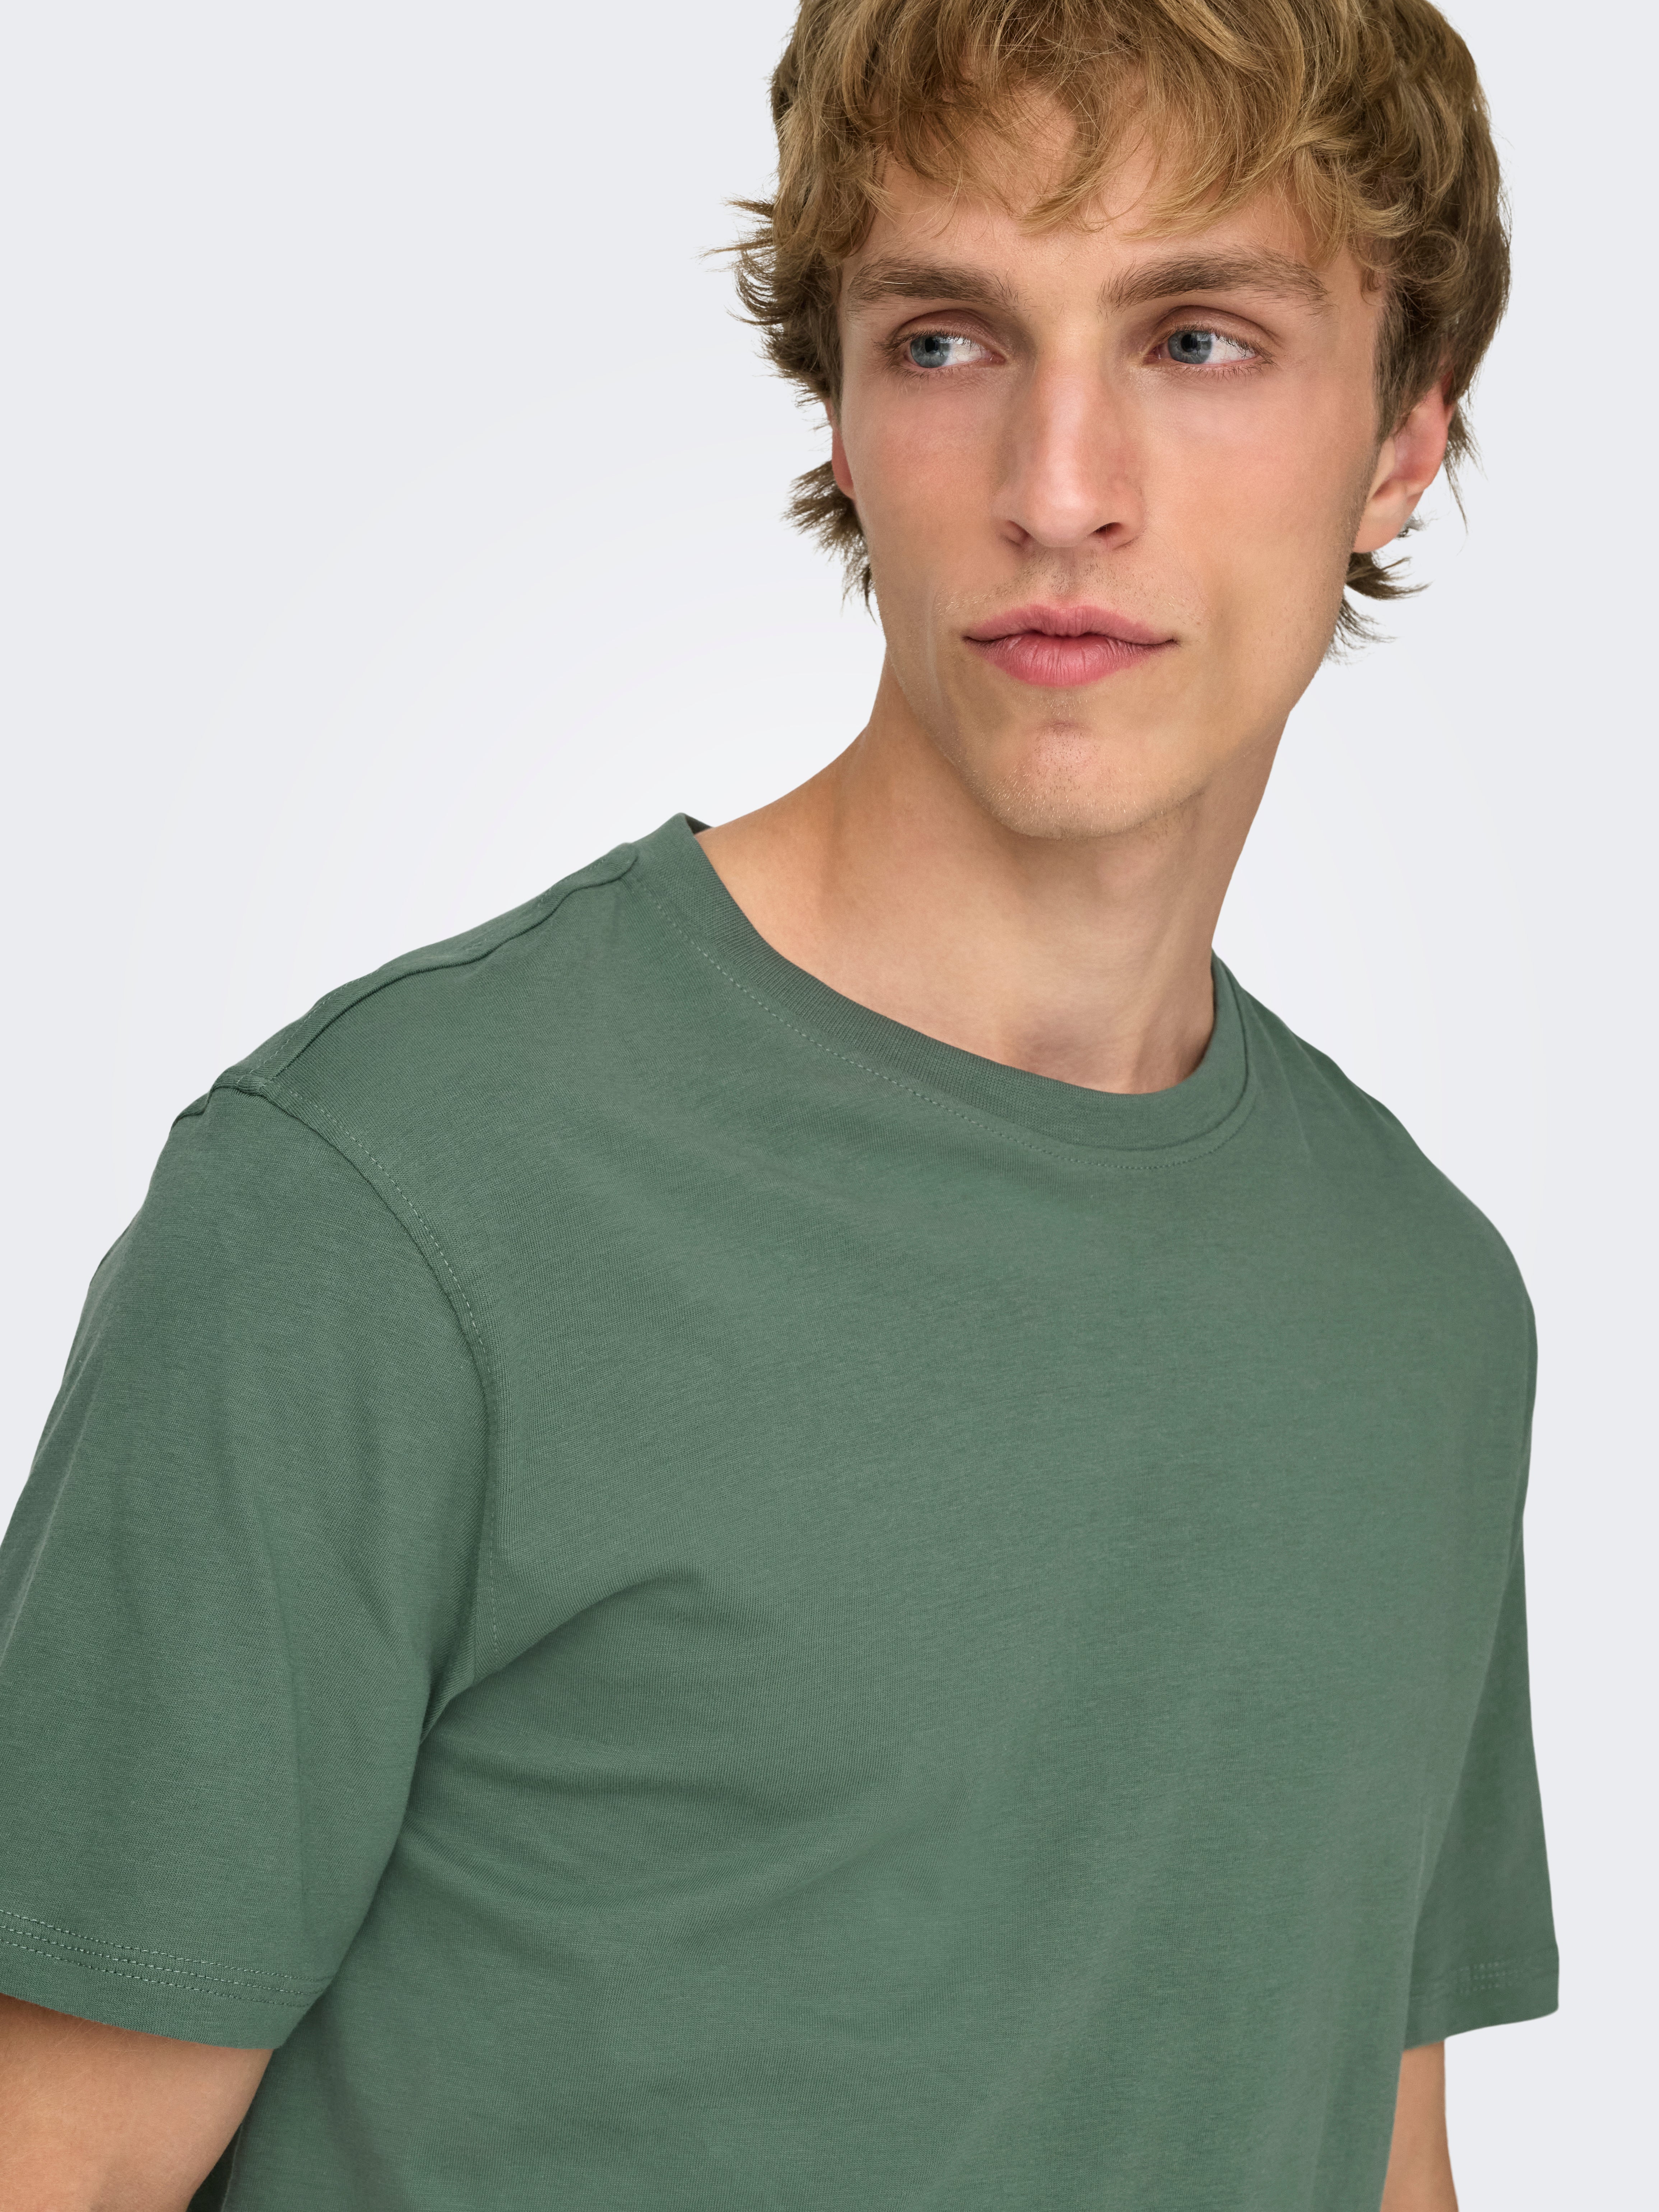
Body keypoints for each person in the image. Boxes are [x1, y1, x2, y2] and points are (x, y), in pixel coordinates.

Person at [0, 0, 1557, 2206]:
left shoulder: (1420, 1309)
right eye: (948, 341)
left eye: (1199, 339)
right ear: (839, 413)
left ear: (1405, 437)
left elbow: (1371, 2145)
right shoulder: (388, 1206)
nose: (1059, 487)